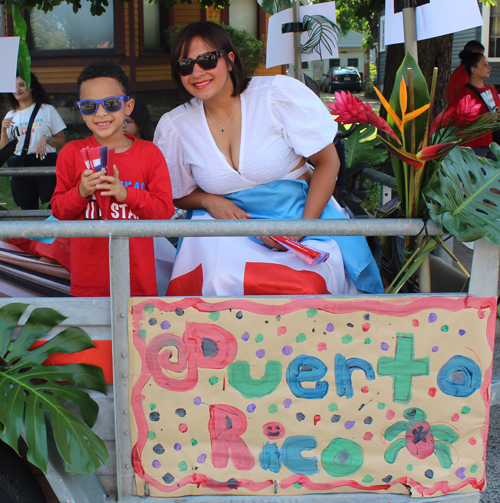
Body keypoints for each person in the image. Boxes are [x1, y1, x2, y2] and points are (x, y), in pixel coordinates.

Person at [154, 21, 383, 296]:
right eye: (185, 65)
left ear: (229, 60)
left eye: (207, 60)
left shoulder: (275, 95)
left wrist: (301, 229)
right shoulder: (175, 126)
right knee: (218, 281)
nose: (197, 72)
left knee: (306, 285)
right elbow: (174, 192)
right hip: (227, 229)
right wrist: (208, 200)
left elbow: (327, 162)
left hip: (301, 215)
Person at [51, 61, 175, 297]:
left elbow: (164, 211)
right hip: (88, 280)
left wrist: (126, 194)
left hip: (137, 280)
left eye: (111, 104)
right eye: (89, 106)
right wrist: (81, 192)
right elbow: (58, 210)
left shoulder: (149, 153)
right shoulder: (71, 152)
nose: (100, 113)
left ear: (128, 106)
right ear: (81, 111)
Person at [0, 72, 66, 210]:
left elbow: (61, 140)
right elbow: (5, 148)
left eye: (22, 85)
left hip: (45, 161)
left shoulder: (47, 110)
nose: (17, 89)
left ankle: (51, 231)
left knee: (52, 206)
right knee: (27, 208)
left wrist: (46, 139)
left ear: (31, 87)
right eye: (14, 86)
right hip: (20, 164)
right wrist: (3, 130)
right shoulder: (10, 115)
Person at [451, 51, 500, 161]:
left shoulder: (492, 90)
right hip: (473, 144)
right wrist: (482, 119)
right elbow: (457, 119)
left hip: (494, 142)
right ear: (474, 70)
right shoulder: (463, 94)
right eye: (485, 64)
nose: (489, 67)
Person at [443, 41, 485, 106]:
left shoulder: (458, 70)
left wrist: (451, 105)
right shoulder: (465, 73)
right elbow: (460, 98)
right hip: (460, 114)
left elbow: (446, 96)